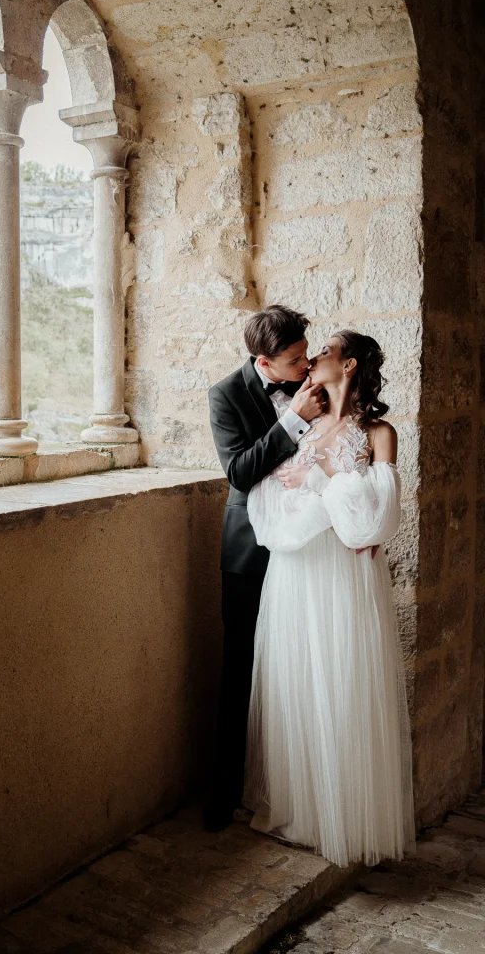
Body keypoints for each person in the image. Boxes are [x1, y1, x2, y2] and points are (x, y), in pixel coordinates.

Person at [243, 329, 415, 867]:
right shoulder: (301, 427)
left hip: (343, 575)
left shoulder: (378, 434)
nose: (313, 357)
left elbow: (378, 520)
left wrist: (322, 488)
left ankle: (344, 817)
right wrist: (322, 496)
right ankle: (302, 809)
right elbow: (268, 498)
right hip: (297, 570)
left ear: (350, 364)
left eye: (326, 350)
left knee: (343, 679)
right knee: (298, 679)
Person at [205, 305, 325, 831]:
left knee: (299, 668)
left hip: (307, 549)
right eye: (295, 359)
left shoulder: (315, 381)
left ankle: (295, 795)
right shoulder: (225, 395)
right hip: (250, 552)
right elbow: (239, 472)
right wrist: (295, 418)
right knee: (240, 673)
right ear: (264, 361)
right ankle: (225, 793)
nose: (307, 364)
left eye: (306, 352)